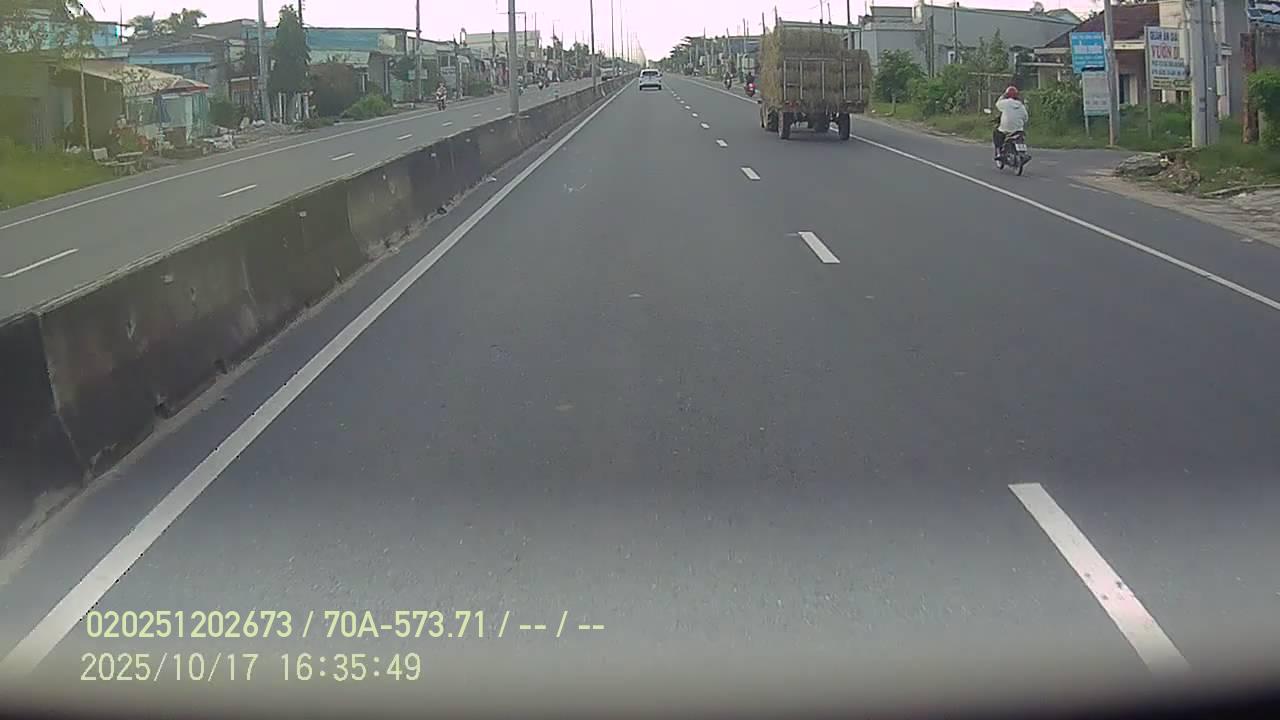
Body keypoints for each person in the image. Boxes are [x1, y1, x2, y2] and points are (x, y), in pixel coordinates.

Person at [992, 86, 1028, 163]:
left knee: (997, 133)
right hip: (1018, 129)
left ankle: (1000, 152)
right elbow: (1025, 117)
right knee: (1021, 136)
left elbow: (997, 104)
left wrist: (1003, 96)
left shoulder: (1005, 103)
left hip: (1006, 128)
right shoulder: (1021, 105)